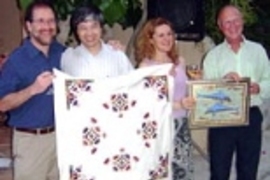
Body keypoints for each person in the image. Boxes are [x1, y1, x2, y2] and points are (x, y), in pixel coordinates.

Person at [203, 5, 270, 180]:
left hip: (251, 116)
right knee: (219, 172)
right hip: (221, 119)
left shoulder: (258, 51)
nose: (232, 26)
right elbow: (205, 93)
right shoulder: (212, 56)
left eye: (235, 20)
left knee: (248, 172)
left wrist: (259, 88)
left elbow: (268, 79)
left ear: (242, 21)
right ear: (220, 26)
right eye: (227, 22)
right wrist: (223, 83)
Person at [0, 1, 65, 180]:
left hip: (61, 139)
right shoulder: (16, 60)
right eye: (41, 21)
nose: (47, 26)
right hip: (30, 142)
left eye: (51, 21)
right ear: (29, 26)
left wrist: (111, 49)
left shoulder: (63, 53)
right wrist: (33, 89)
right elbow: (2, 104)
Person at [134, 17, 195, 180]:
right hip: (159, 127)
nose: (167, 39)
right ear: (150, 39)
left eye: (169, 34)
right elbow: (146, 103)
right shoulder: (145, 67)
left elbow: (185, 91)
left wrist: (195, 88)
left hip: (181, 125)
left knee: (182, 172)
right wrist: (178, 104)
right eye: (160, 35)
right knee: (160, 173)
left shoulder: (179, 62)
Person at [61, 5, 133, 78]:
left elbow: (132, 84)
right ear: (76, 32)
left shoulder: (118, 56)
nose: (89, 33)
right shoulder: (67, 57)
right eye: (83, 28)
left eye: (94, 26)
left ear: (101, 28)